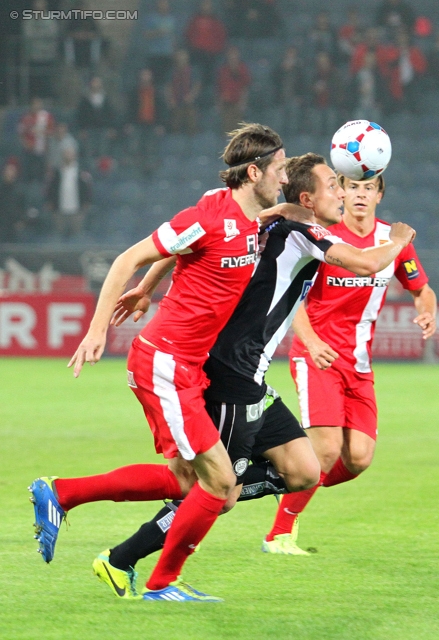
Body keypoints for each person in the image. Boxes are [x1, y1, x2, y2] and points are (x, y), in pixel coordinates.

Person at [29, 152, 416, 601]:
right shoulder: (301, 229)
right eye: (336, 184)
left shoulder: (270, 220)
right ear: (308, 198)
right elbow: (366, 263)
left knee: (303, 469)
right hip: (234, 374)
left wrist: (150, 284)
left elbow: (196, 241)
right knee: (210, 487)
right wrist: (401, 239)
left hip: (250, 375)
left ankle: (74, 501)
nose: (347, 191)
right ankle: (144, 573)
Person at [29, 123, 290, 603]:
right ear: (253, 172)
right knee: (220, 482)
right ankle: (162, 584)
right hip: (166, 365)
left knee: (184, 480)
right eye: (279, 168)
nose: (285, 176)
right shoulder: (210, 215)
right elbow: (127, 257)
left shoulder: (253, 215)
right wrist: (96, 328)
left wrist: (149, 290)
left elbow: (181, 252)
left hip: (187, 367)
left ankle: (60, 493)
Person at [263, 163, 437, 554]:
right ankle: (279, 535)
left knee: (358, 458)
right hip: (318, 357)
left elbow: (421, 288)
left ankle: (291, 482)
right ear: (340, 191)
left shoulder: (392, 241)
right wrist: (308, 341)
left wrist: (428, 309)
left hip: (359, 364)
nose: (359, 193)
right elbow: (295, 298)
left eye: (368, 187)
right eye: (352, 186)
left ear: (379, 195)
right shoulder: (325, 237)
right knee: (324, 450)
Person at [46, 146, 92, 239]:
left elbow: (87, 189)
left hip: (77, 211)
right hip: (59, 210)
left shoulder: (81, 171)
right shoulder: (56, 172)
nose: (68, 156)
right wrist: (50, 202)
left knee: (77, 237)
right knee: (58, 236)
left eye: (70, 153)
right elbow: (50, 188)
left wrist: (86, 203)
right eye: (66, 153)